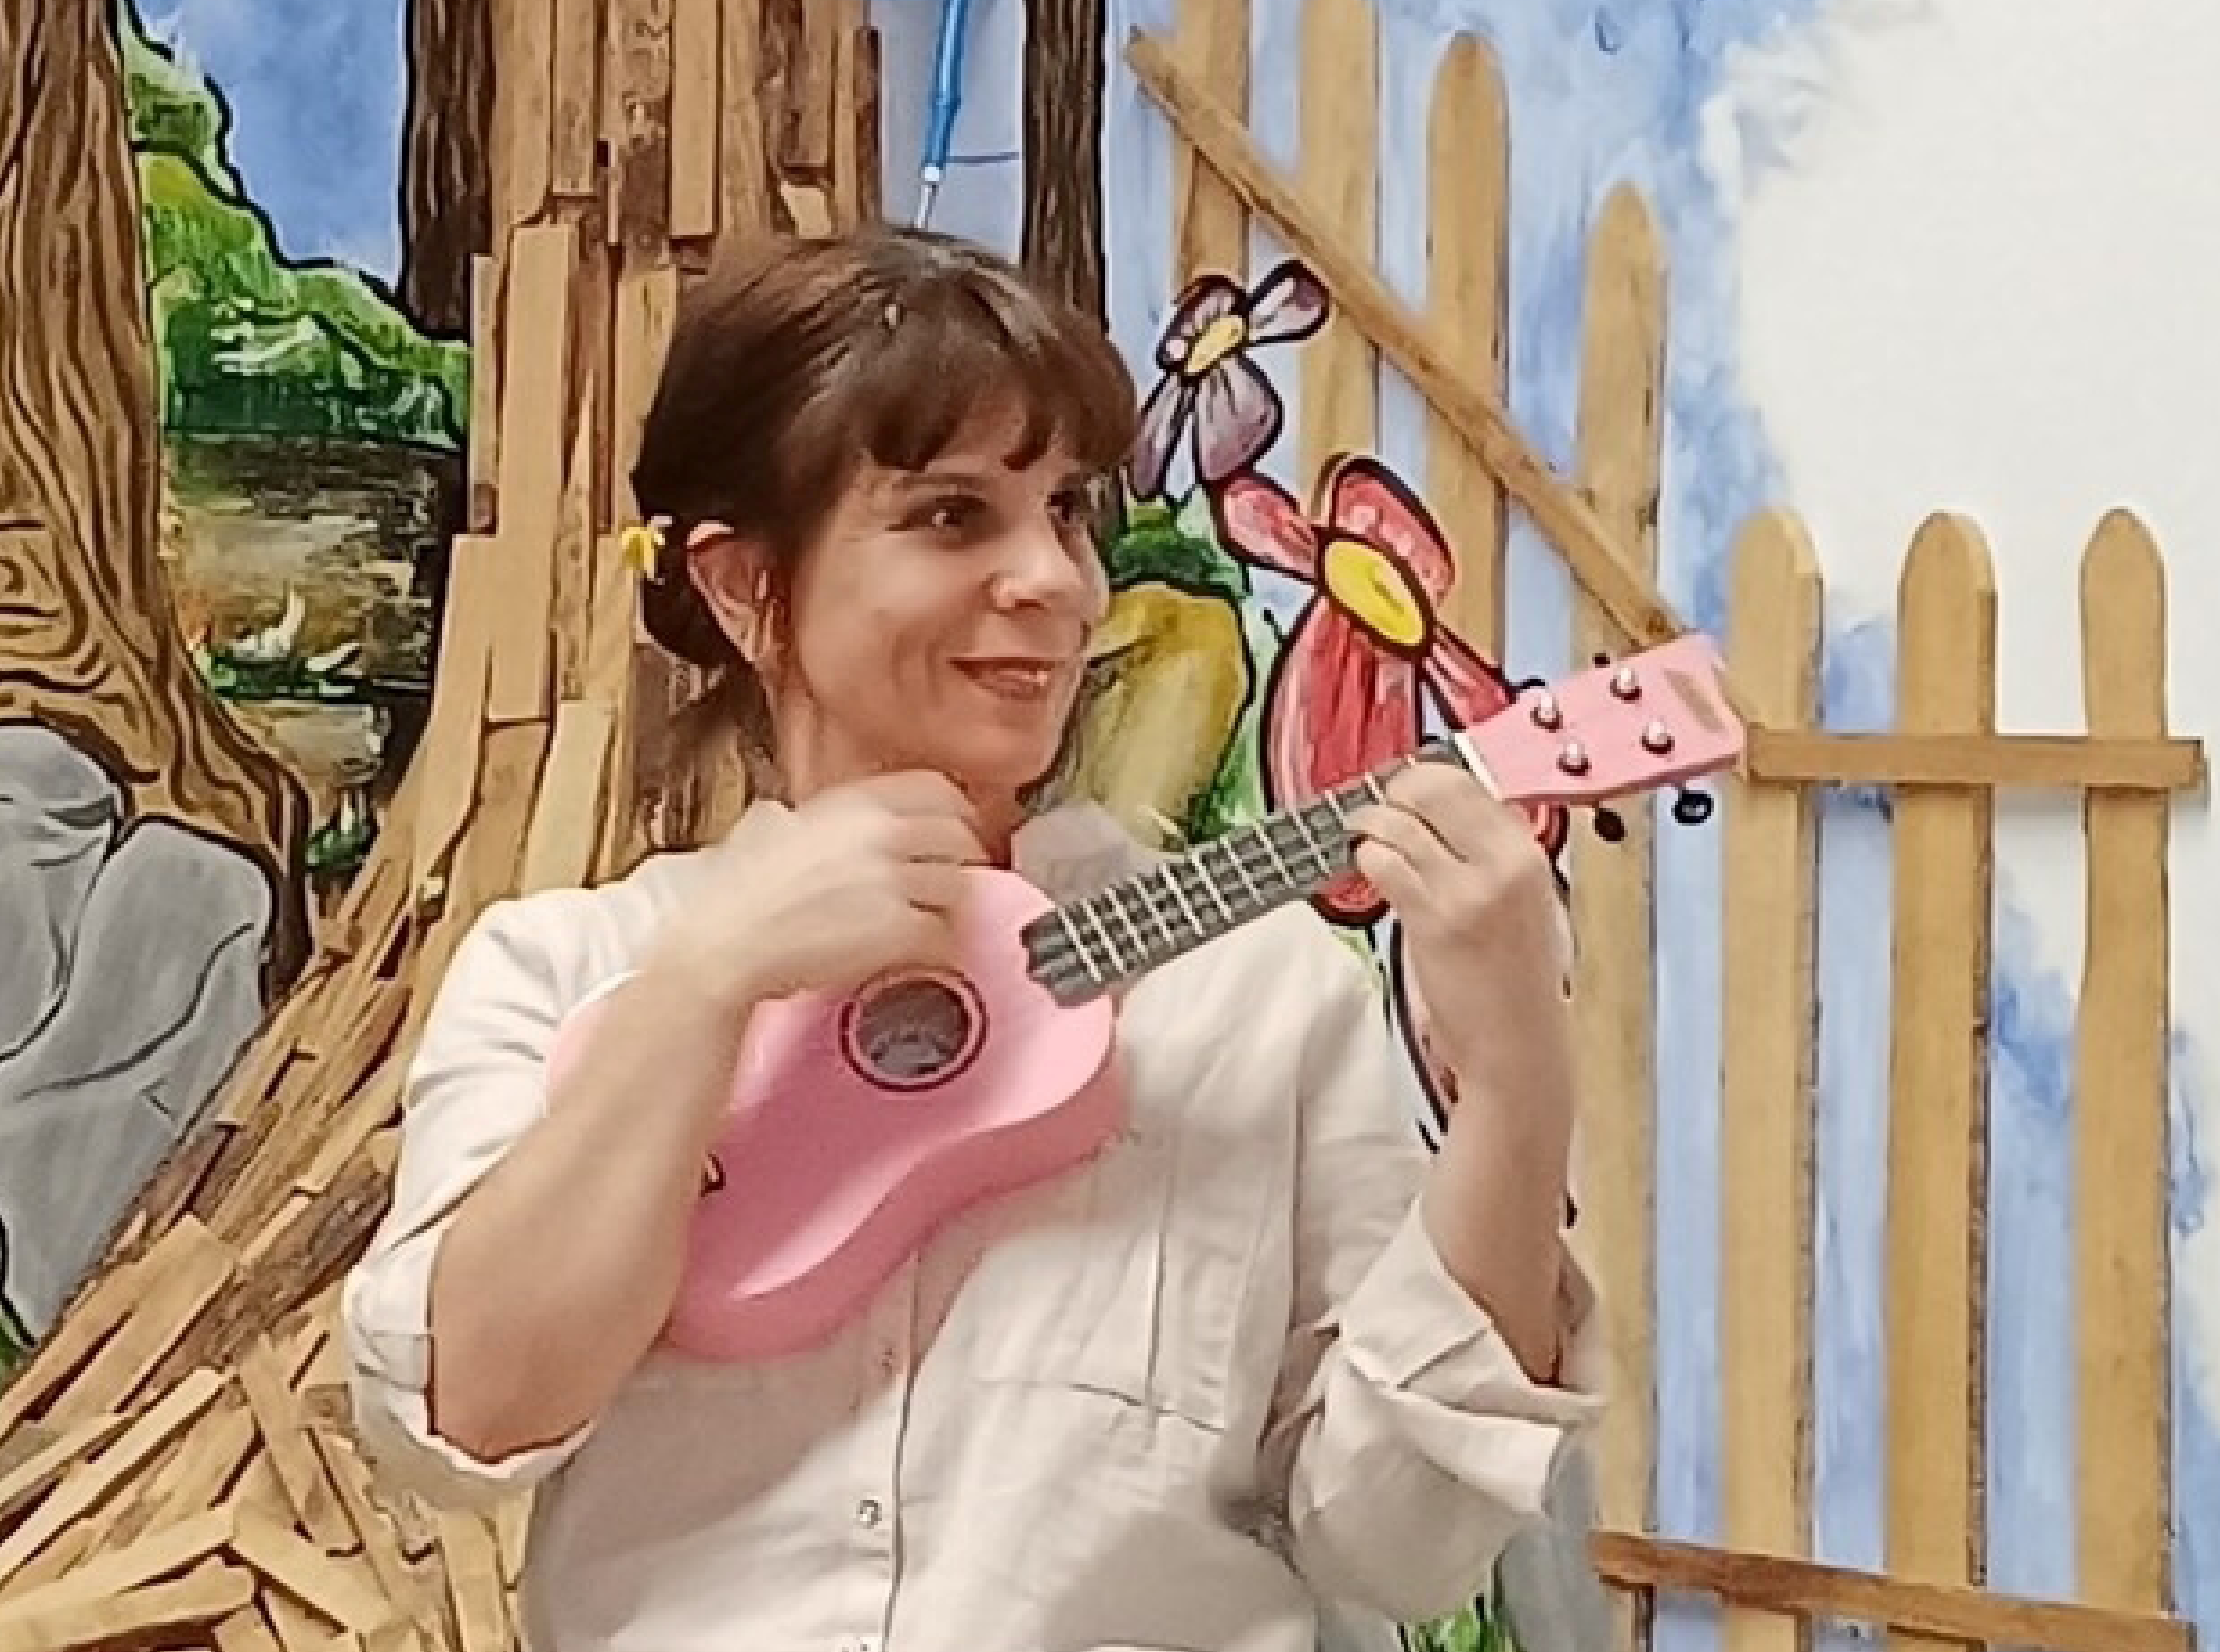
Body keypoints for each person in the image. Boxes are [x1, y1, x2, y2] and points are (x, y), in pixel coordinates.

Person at [342, 225, 1598, 1652]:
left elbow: (1399, 1543)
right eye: (952, 516)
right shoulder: (564, 971)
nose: (1055, 581)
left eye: (1066, 510)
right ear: (745, 586)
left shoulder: (1255, 998)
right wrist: (702, 988)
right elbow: (463, 1421)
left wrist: (1516, 1083)